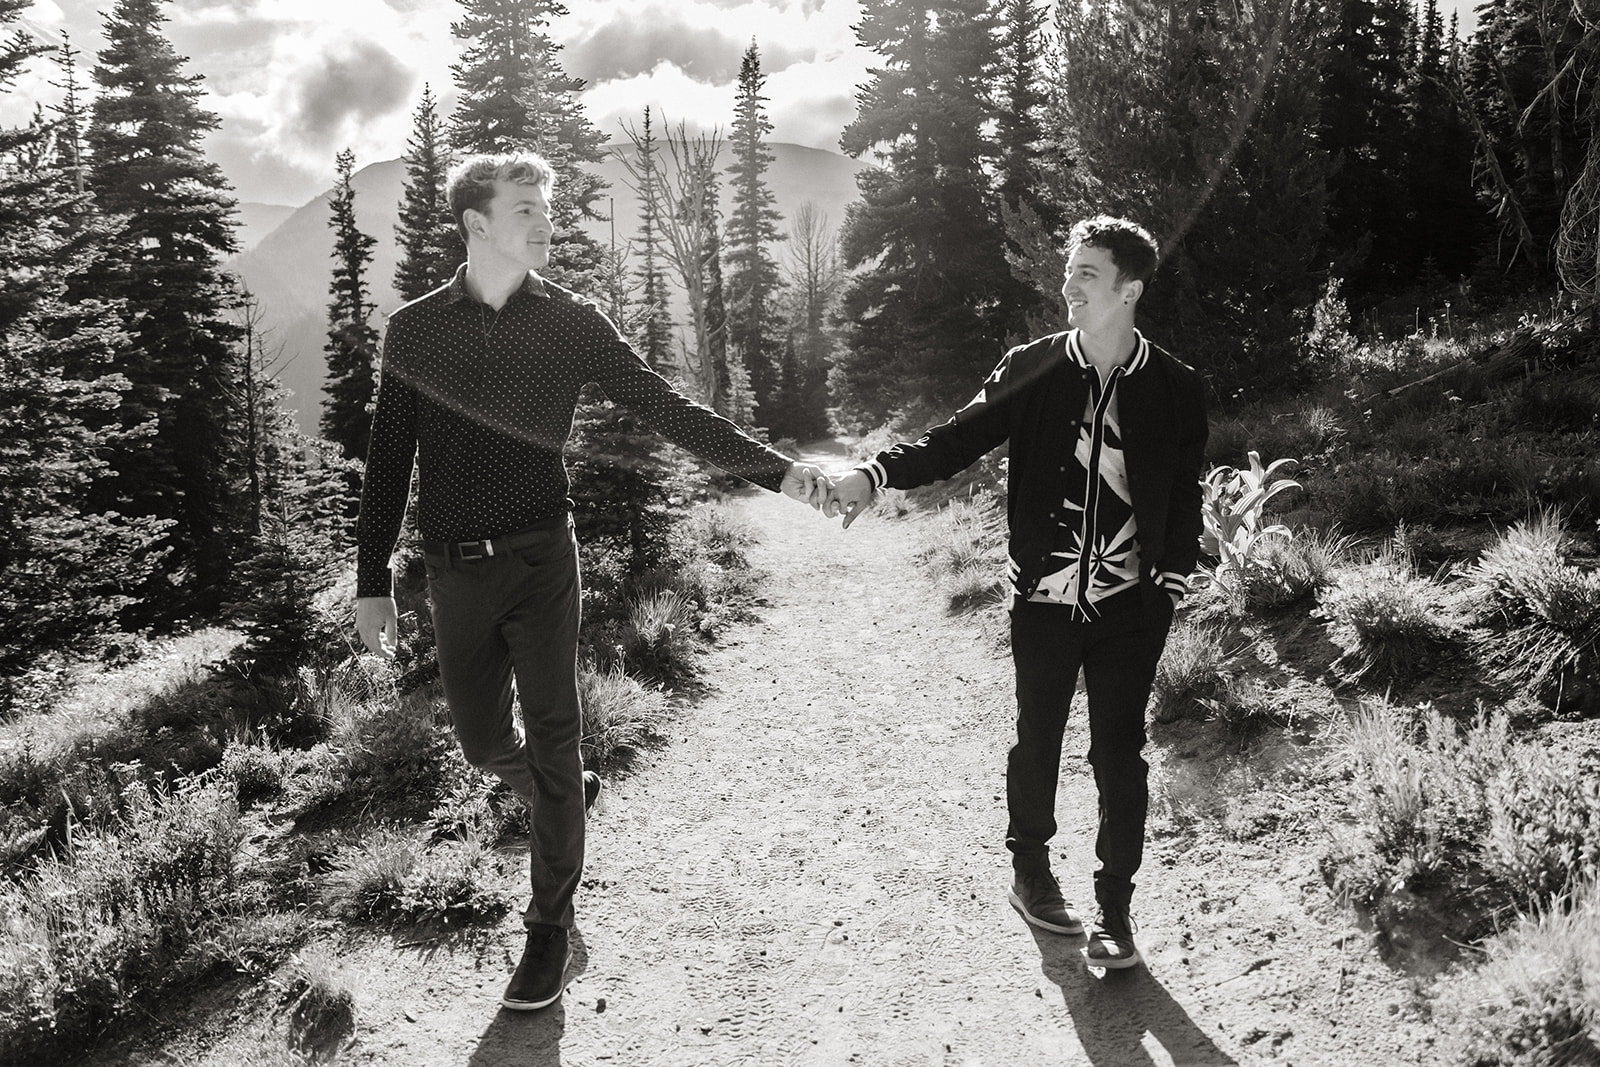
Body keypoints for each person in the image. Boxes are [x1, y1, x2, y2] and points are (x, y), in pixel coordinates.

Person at [354, 151, 829, 1010]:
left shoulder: (571, 322)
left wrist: (777, 472)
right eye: (527, 208)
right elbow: (389, 461)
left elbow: (667, 408)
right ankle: (560, 790)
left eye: (547, 207)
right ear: (476, 224)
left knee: (555, 731)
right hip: (454, 571)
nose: (544, 222)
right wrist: (372, 579)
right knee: (482, 743)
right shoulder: (414, 330)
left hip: (542, 556)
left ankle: (548, 930)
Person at [824, 216, 1208, 969]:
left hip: (1133, 606)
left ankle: (1115, 909)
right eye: (1069, 270)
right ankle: (1030, 869)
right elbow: (954, 440)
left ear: (1128, 291)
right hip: (1043, 598)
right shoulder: (1031, 366)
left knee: (1119, 753)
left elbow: (1185, 490)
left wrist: (1171, 577)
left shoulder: (1175, 385)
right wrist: (874, 476)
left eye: (1087, 274)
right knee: (1039, 734)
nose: (1069, 285)